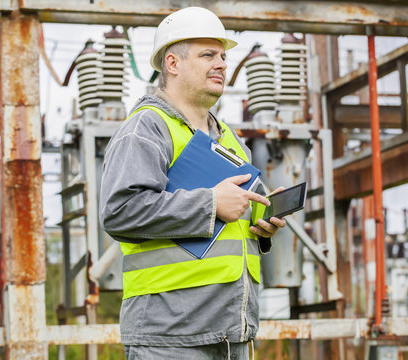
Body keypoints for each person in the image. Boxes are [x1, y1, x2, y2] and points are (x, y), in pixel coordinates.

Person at [99, 7, 286, 360]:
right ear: (172, 63)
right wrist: (211, 204)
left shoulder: (230, 139)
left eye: (223, 56)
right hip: (170, 338)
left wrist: (261, 224)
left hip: (232, 333)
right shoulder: (146, 129)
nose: (221, 64)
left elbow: (230, 228)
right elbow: (120, 212)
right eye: (207, 55)